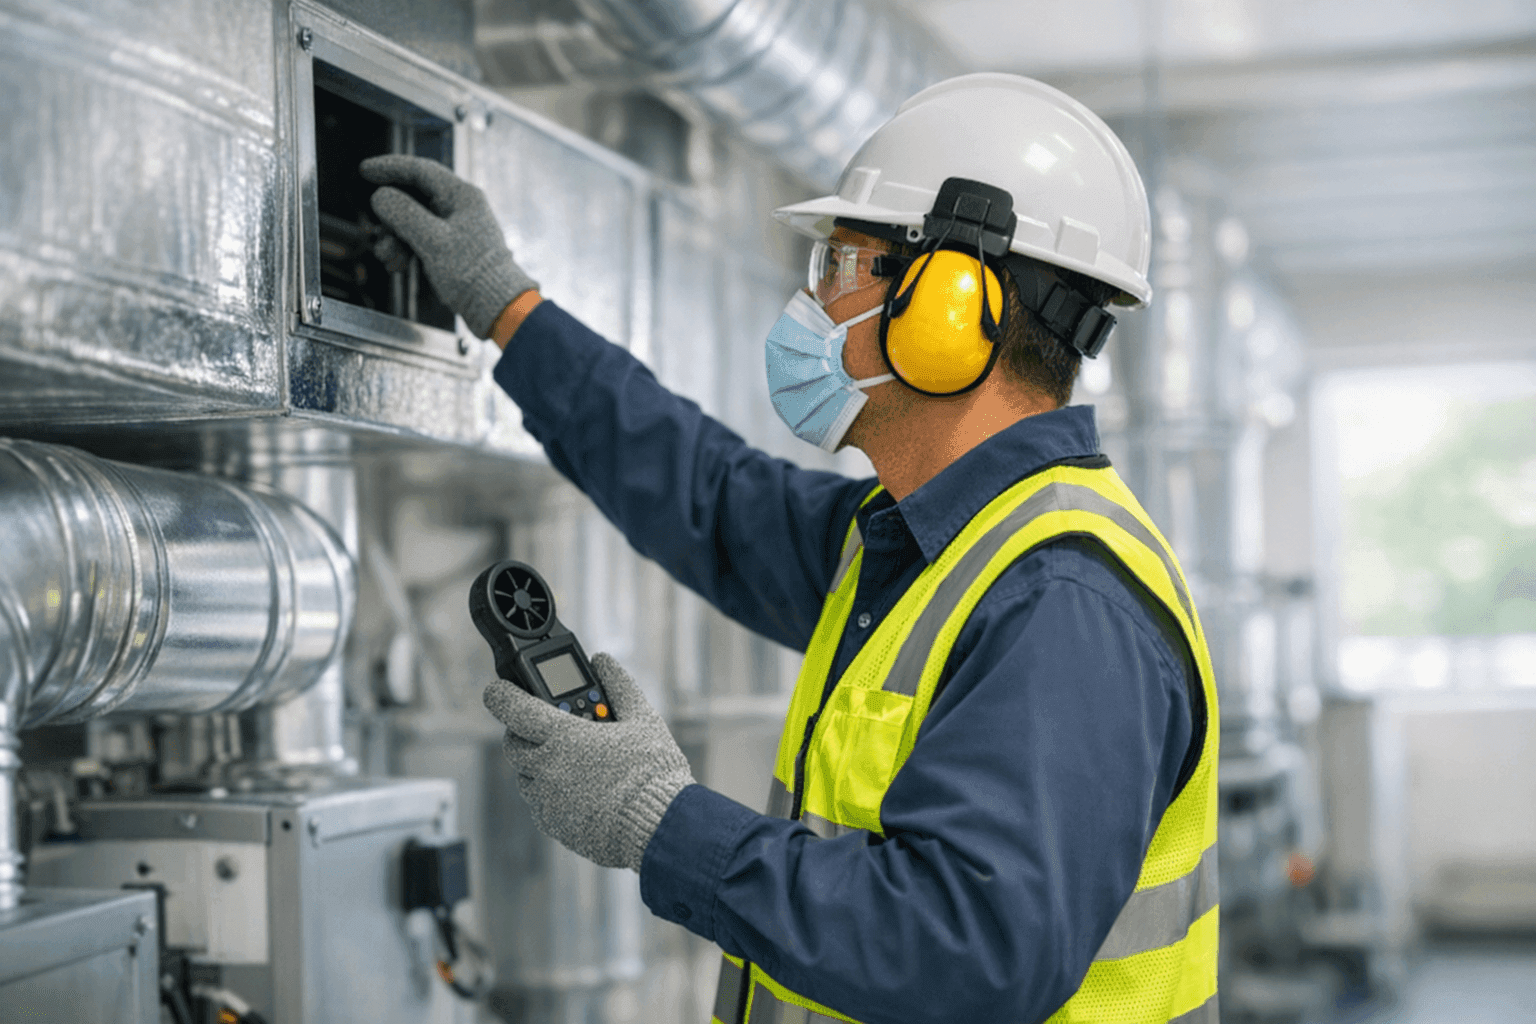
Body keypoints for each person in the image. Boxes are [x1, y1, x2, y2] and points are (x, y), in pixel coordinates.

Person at [363, 72, 1220, 1024]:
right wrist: (509, 311)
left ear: (948, 302)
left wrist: (660, 821)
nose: (811, 307)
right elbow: (709, 495)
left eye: (839, 269)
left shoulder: (1059, 600)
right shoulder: (926, 545)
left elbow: (966, 949)